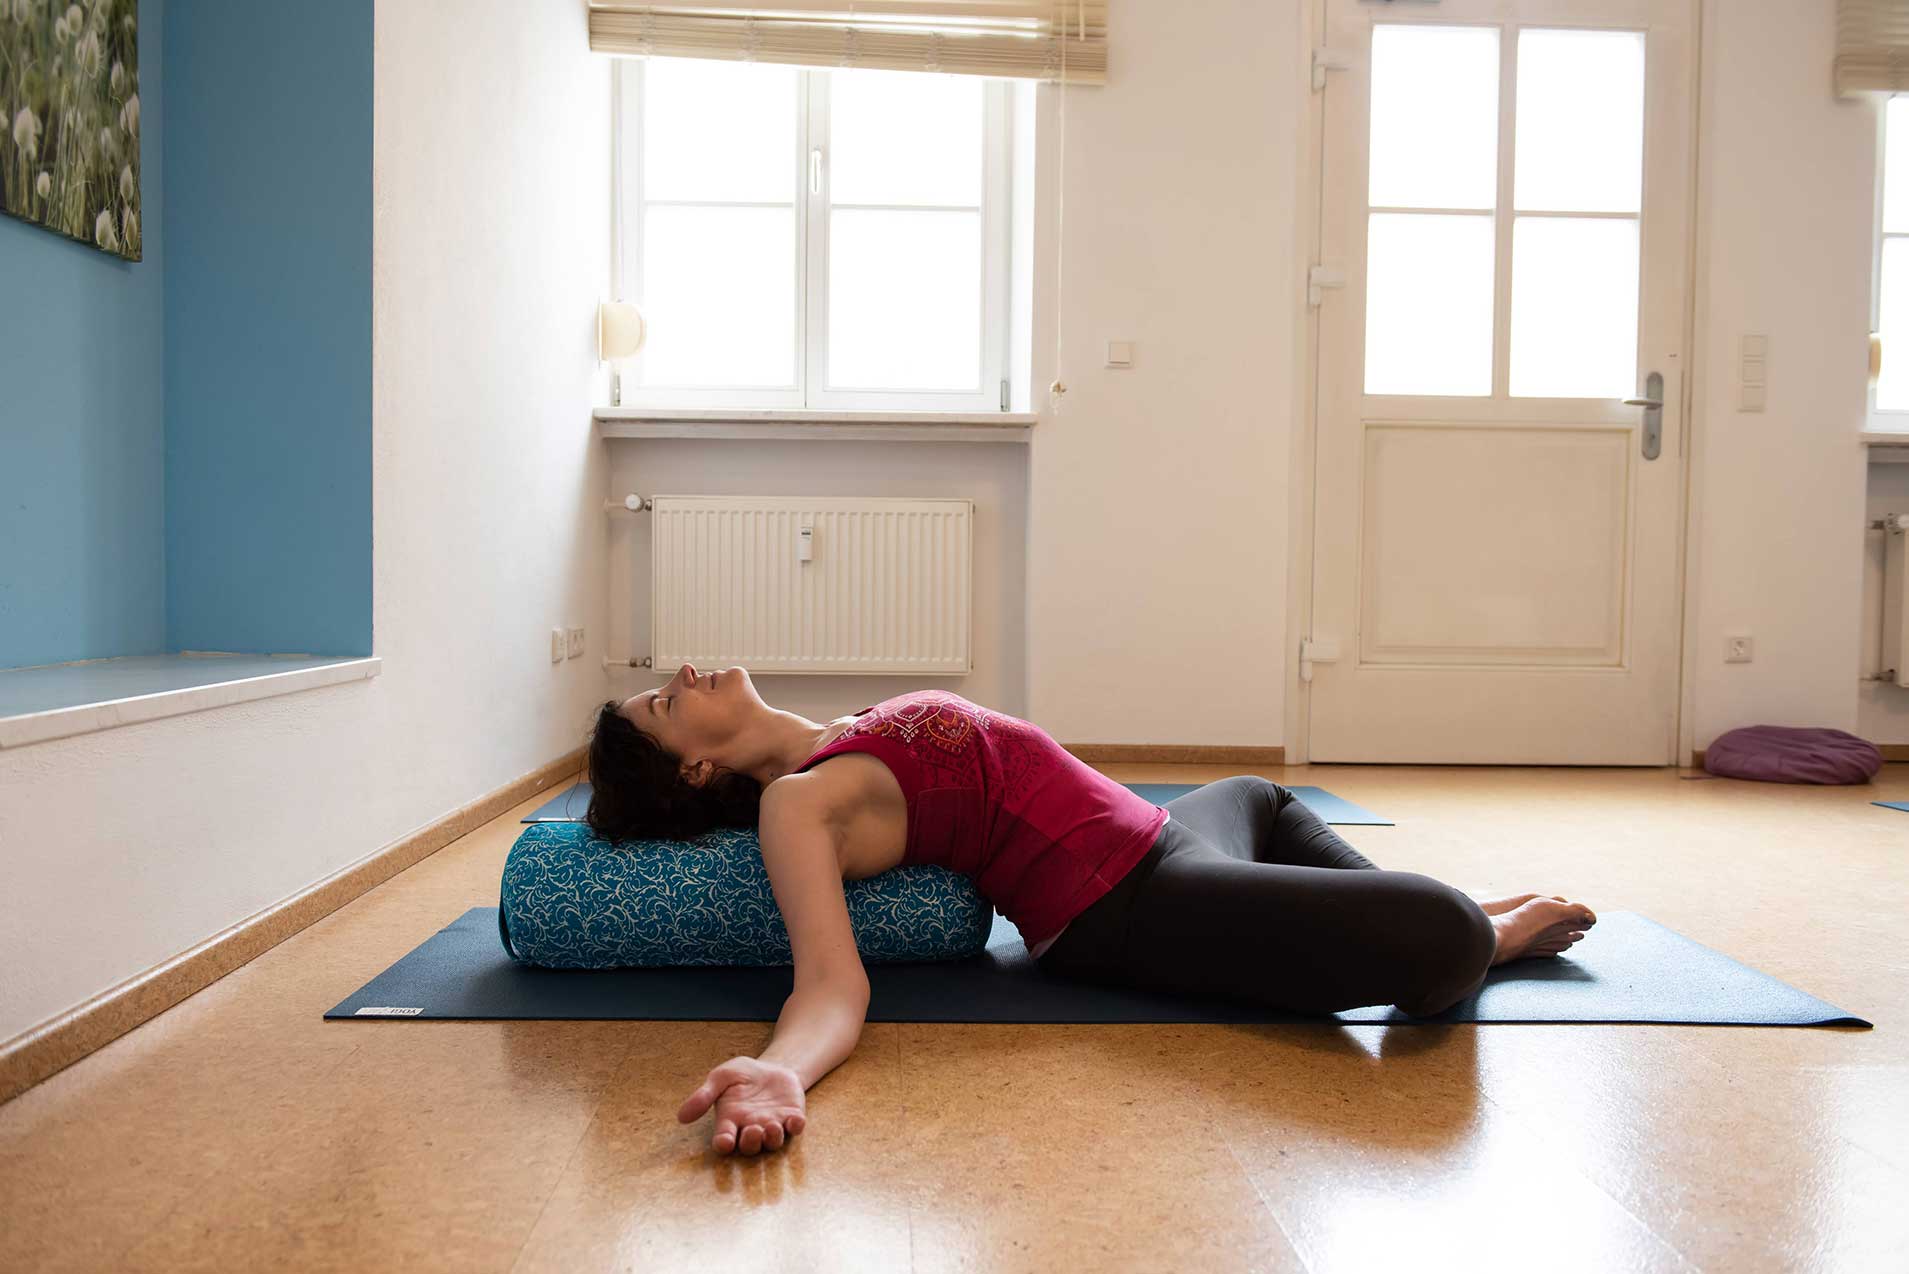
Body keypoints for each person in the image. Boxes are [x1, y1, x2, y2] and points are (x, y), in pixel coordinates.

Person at [585, 664, 1598, 1157]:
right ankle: (1474, 931)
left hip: (1166, 836)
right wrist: (781, 1067)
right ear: (697, 764)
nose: (680, 675)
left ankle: (1401, 911)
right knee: (1442, 932)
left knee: (1261, 791)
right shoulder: (794, 802)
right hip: (1126, 907)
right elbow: (830, 982)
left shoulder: (840, 728)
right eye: (664, 706)